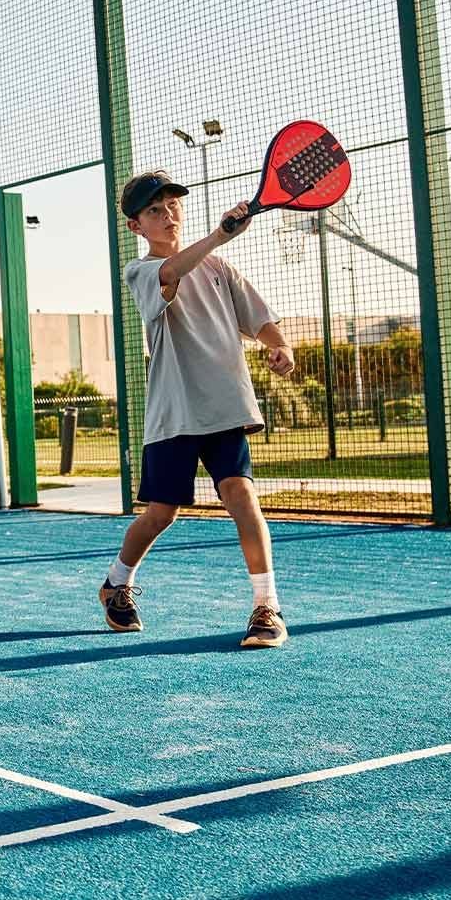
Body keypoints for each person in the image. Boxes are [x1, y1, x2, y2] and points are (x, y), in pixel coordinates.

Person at [102, 171, 295, 649]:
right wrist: (219, 234)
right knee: (161, 514)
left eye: (172, 205)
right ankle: (116, 584)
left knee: (241, 498)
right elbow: (171, 274)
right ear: (135, 226)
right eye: (154, 210)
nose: (167, 215)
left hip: (226, 409)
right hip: (175, 414)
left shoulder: (221, 269)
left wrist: (279, 345)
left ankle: (266, 606)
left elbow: (260, 319)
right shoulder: (140, 271)